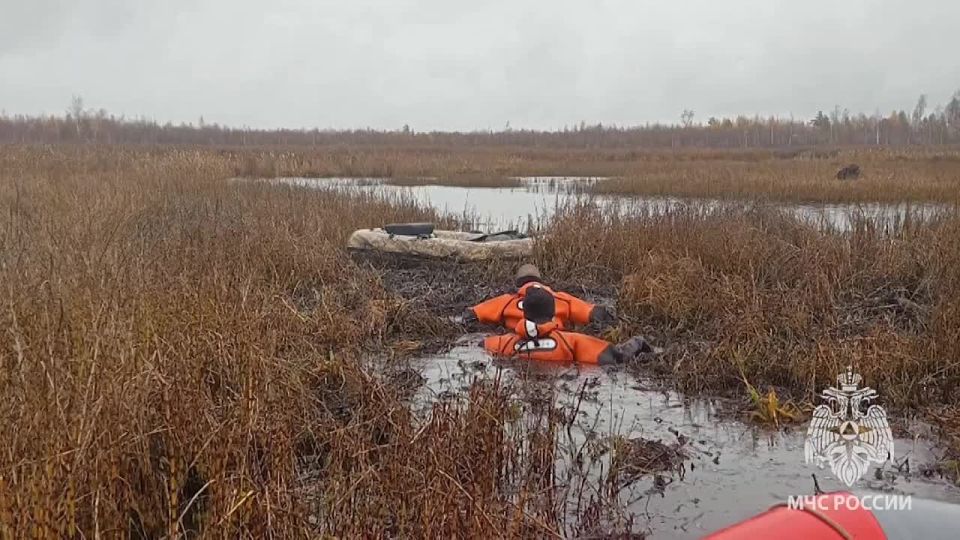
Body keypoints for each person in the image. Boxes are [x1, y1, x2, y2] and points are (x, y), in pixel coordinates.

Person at [483, 286, 652, 365]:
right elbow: (617, 356)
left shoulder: (504, 343)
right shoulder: (571, 342)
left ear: (525, 313)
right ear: (553, 312)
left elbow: (480, 344)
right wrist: (638, 342)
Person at [466, 263, 614, 329]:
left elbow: (472, 314)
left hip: (520, 340)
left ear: (517, 285)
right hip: (556, 339)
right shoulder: (563, 299)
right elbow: (597, 314)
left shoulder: (506, 301)